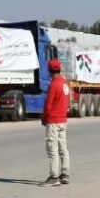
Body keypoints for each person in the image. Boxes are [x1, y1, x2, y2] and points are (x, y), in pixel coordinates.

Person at [40, 59, 71, 187]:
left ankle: (54, 176)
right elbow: (68, 101)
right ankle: (65, 174)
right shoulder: (64, 83)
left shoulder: (53, 84)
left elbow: (48, 104)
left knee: (52, 149)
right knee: (63, 148)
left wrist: (44, 118)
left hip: (53, 120)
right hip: (62, 120)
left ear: (49, 71)